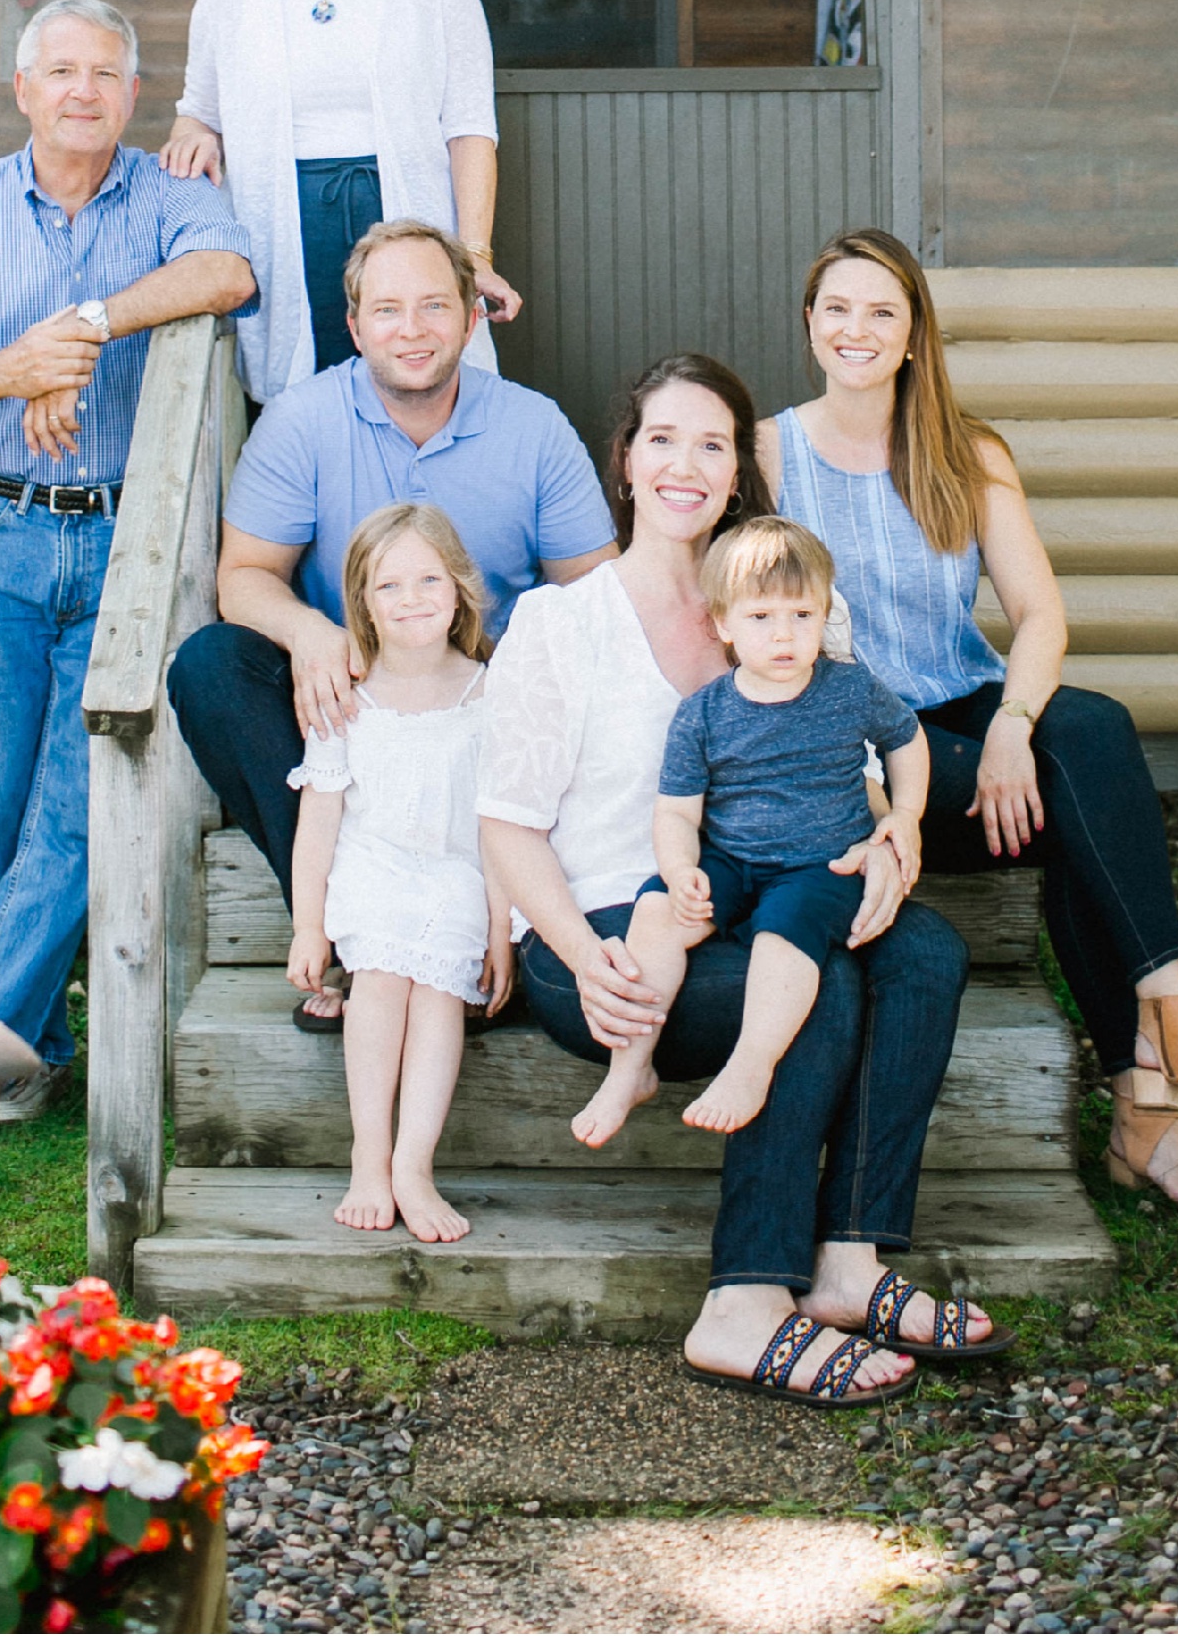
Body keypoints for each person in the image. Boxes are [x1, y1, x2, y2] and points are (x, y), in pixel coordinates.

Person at [481, 351, 1007, 1406]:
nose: (685, 463)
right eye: (661, 438)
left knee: (922, 952)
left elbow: (861, 766)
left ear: (737, 472)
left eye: (711, 443)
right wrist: (585, 959)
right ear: (624, 461)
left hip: (771, 893)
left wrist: (887, 841)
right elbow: (505, 826)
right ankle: (742, 1300)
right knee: (811, 987)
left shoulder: (791, 601)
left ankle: (849, 1264)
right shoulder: (559, 623)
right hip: (612, 931)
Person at [761, 226, 1178, 1225]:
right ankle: (1155, 1092)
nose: (855, 328)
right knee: (1082, 822)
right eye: (836, 307)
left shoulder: (965, 450)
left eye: (881, 310)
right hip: (857, 745)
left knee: (1088, 728)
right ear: (808, 324)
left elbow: (1039, 616)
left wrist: (1009, 725)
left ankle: (1165, 1013)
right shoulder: (769, 452)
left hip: (963, 708)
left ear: (914, 335)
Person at [0, 0, 255, 1122]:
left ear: (133, 95)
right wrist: (13, 369)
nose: (84, 90)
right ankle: (29, 1042)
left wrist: (81, 327)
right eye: (61, 70)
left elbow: (225, 273)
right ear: (23, 88)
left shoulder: (174, 197)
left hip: (126, 536)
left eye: (106, 73)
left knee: (77, 806)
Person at [166, 216, 617, 1028]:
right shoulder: (303, 421)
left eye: (435, 307)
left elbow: (598, 600)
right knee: (210, 666)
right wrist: (311, 633)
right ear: (354, 325)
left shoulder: (535, 428)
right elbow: (242, 578)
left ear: (472, 316)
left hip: (490, 706)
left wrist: (515, 688)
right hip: (351, 698)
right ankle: (348, 938)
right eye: (387, 310)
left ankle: (498, 935)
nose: (412, 331)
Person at [160, 0, 522, 392]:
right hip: (287, 235)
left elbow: (469, 127)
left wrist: (475, 255)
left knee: (419, 392)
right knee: (307, 415)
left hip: (404, 223)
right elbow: (200, 110)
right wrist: (194, 130)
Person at [573, 514, 929, 1150]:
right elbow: (678, 810)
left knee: (781, 937)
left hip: (822, 866)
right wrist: (681, 871)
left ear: (824, 616)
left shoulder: (848, 689)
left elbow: (907, 740)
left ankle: (751, 1064)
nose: (784, 635)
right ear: (723, 624)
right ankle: (632, 1068)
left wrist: (903, 815)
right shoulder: (705, 712)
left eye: (802, 616)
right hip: (731, 858)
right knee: (654, 914)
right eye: (762, 618)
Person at [286, 502, 512, 1245]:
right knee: (382, 976)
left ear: (458, 590)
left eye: (428, 580)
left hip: (457, 875)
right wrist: (309, 927)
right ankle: (369, 1155)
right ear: (363, 604)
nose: (411, 598)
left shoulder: (489, 693)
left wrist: (503, 927)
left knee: (440, 988)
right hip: (371, 868)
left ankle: (416, 1164)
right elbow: (319, 819)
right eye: (389, 587)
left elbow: (501, 823)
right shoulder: (348, 696)